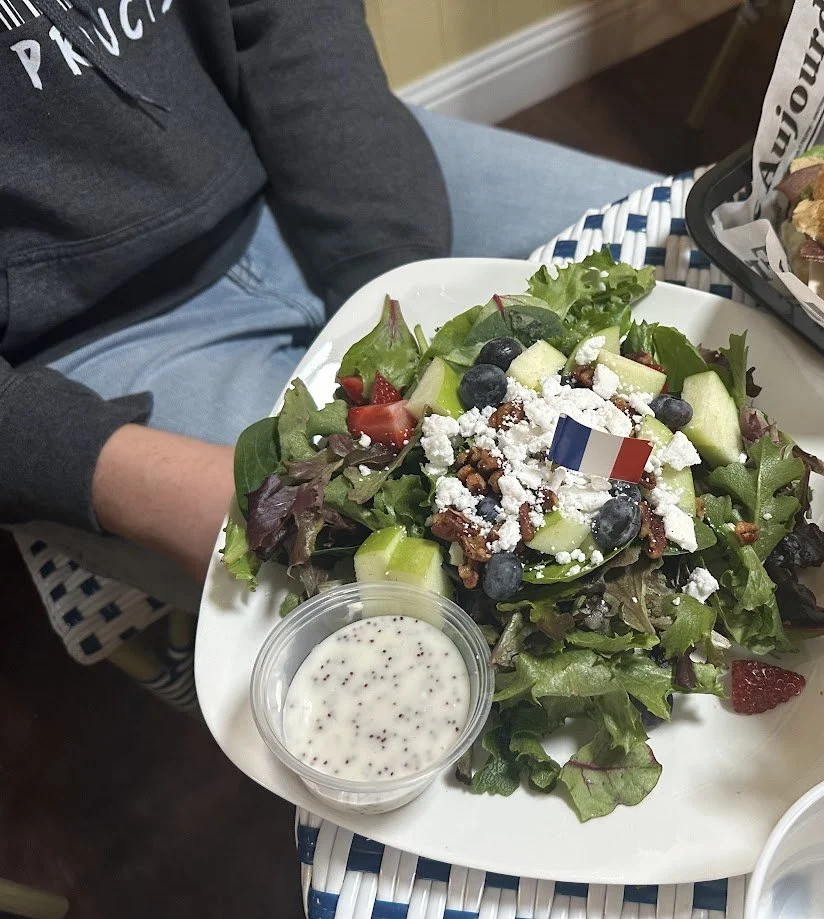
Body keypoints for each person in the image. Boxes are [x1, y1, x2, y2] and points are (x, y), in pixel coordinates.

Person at [1, 0, 657, 644]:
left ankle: (645, 475)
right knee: (388, 604)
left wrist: (398, 280)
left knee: (666, 259)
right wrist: (100, 467)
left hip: (281, 143)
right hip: (78, 337)